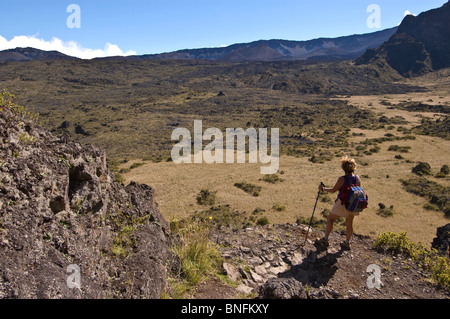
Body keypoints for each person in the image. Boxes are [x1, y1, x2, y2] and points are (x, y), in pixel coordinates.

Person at [315, 156, 361, 250]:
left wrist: (323, 189)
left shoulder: (342, 179)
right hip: (353, 204)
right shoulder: (357, 178)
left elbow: (333, 190)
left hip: (343, 203)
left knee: (330, 218)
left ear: (343, 168)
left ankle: (325, 239)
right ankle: (347, 243)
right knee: (349, 223)